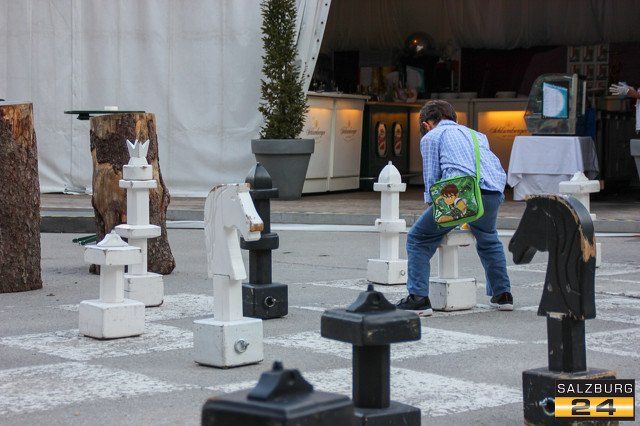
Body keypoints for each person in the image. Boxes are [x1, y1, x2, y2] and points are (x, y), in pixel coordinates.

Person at [396, 100, 512, 316]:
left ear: (426, 124)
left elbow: (432, 177)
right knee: (488, 239)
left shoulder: (432, 136)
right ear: (453, 118)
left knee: (418, 239)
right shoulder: (477, 135)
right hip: (492, 193)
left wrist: (435, 208)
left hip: (459, 194)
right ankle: (503, 295)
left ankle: (418, 299)